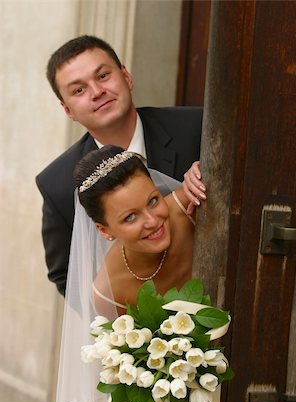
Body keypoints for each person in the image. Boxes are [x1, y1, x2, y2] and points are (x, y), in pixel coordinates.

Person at [35, 35, 205, 297]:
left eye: (103, 76)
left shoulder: (197, 128)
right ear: (67, 109)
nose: (97, 92)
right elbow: (65, 275)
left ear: (126, 76)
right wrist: (126, 326)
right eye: (79, 90)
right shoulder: (56, 184)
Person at [56, 145, 201, 402]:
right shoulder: (107, 290)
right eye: (130, 217)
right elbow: (134, 366)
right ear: (104, 230)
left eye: (152, 201)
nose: (152, 221)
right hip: (171, 393)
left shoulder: (193, 208)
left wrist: (203, 171)